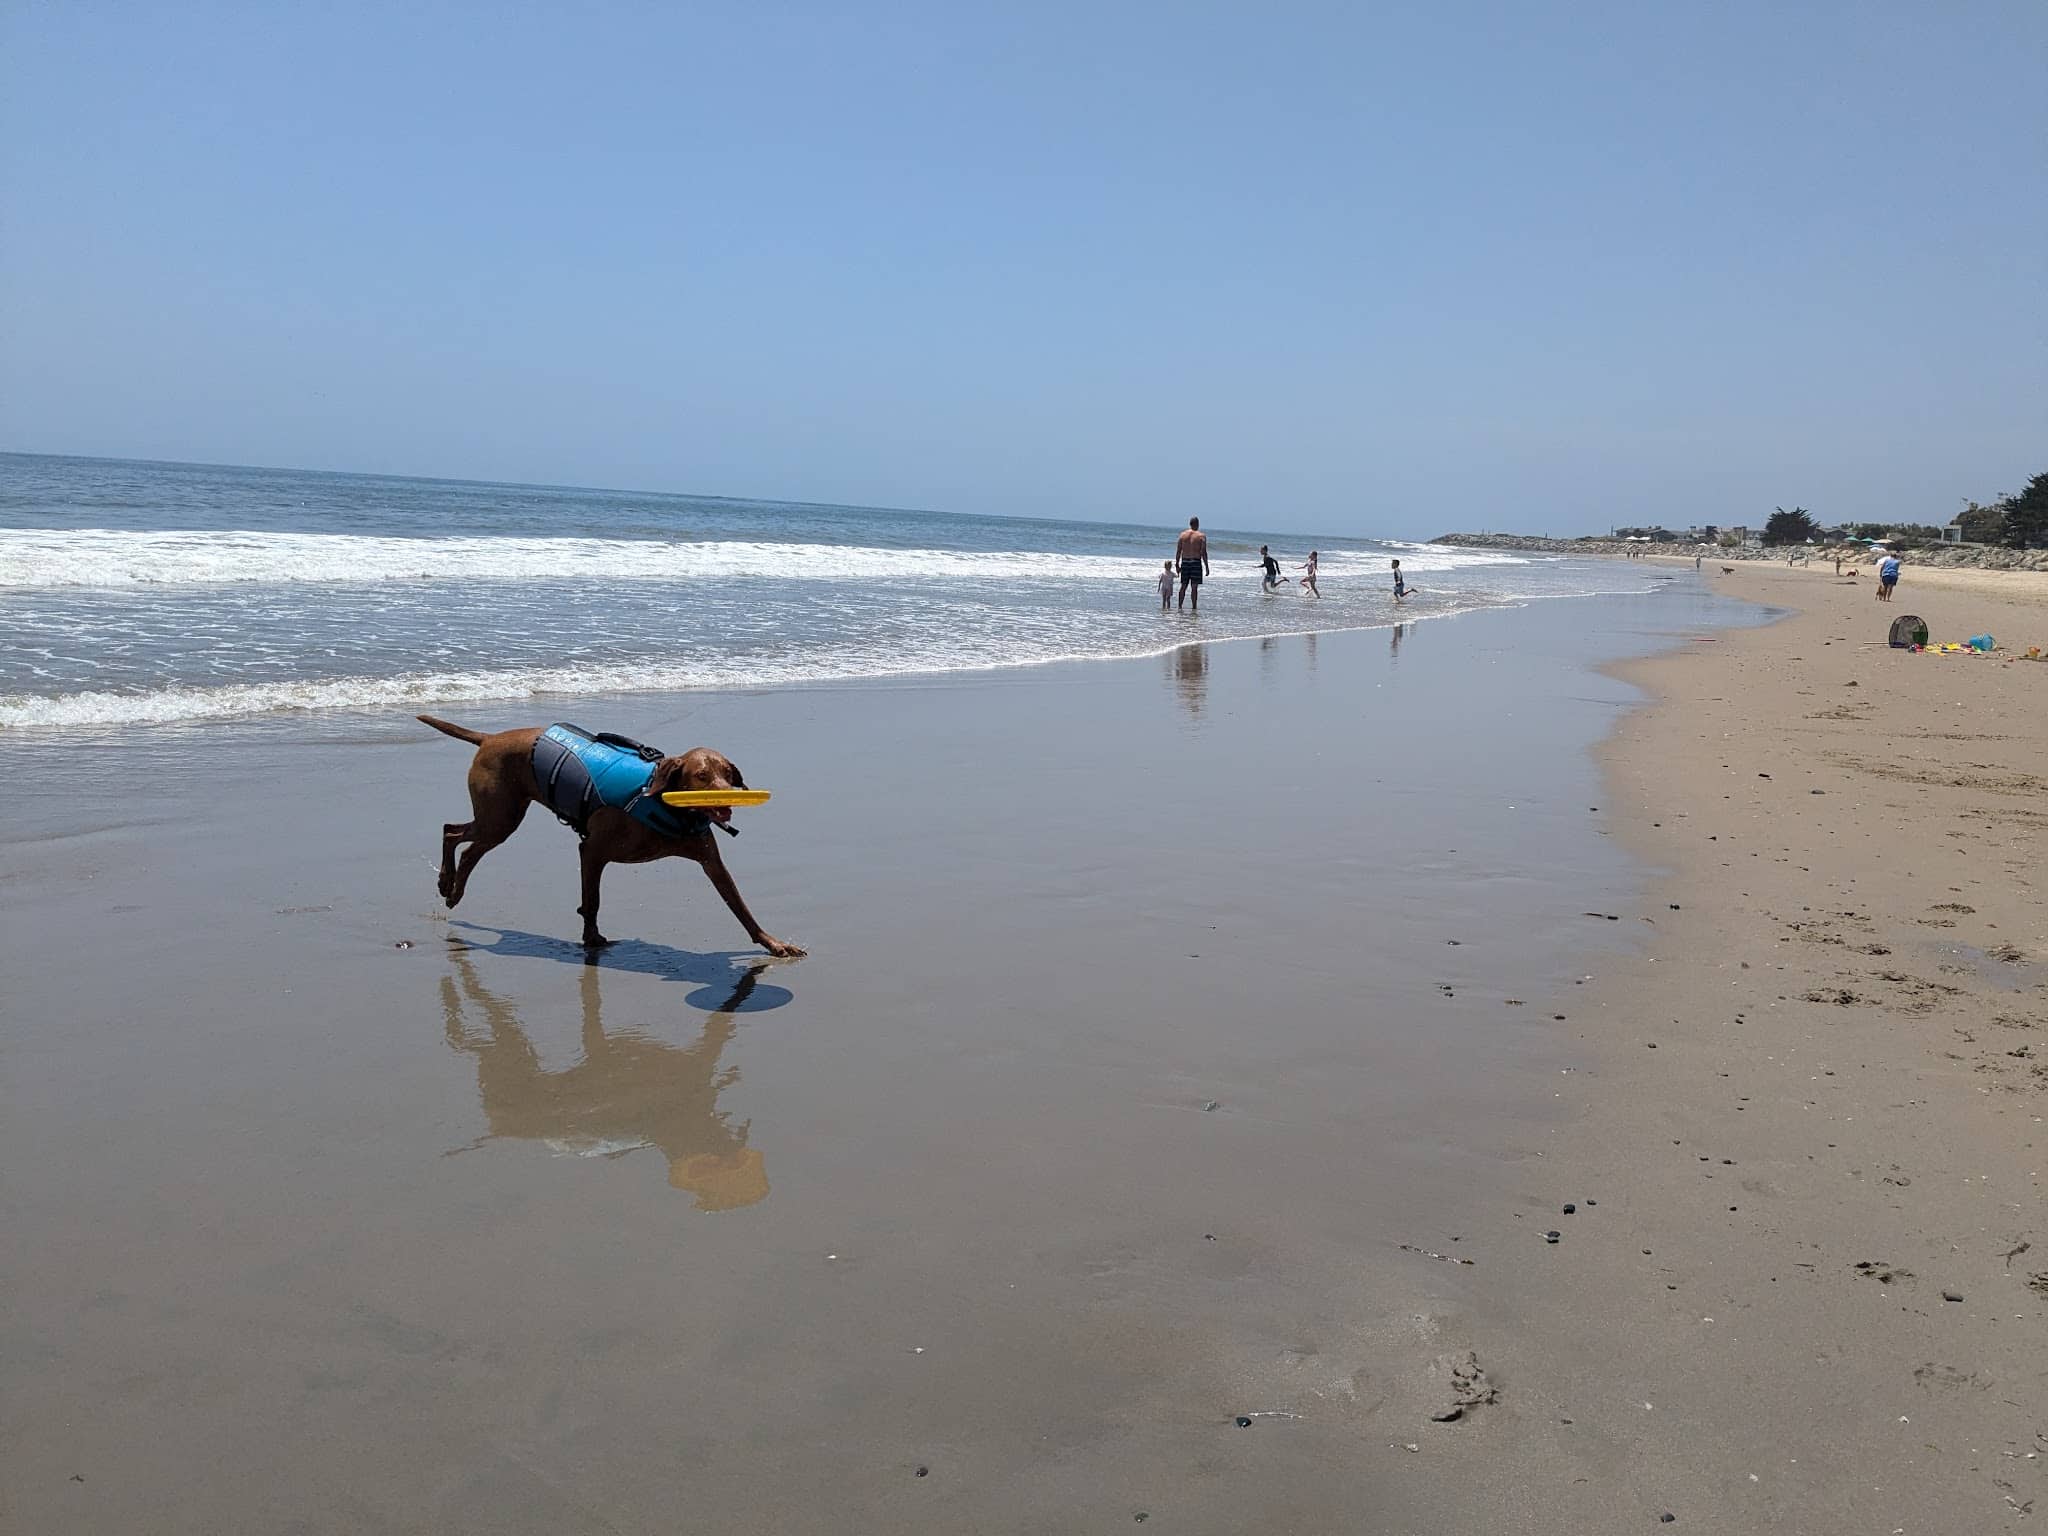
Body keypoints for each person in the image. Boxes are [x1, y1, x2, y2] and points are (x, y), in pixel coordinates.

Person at [1175, 518, 1209, 611]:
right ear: (1197, 524)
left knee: (1183, 586)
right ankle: (1194, 608)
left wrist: (1177, 564)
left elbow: (1178, 551)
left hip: (1185, 562)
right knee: (1194, 587)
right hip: (1196, 562)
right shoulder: (1201, 536)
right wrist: (1206, 566)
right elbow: (1203, 552)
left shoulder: (1182, 535)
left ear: (1190, 524)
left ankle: (1179, 606)